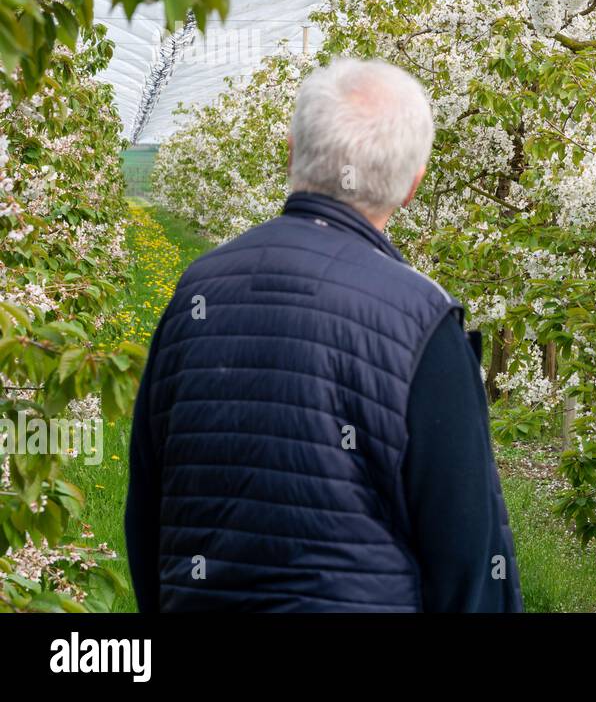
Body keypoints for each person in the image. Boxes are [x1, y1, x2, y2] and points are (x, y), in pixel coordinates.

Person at [125, 56, 522, 612]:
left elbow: (147, 504)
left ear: (291, 152)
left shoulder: (198, 290)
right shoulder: (421, 317)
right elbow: (468, 557)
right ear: (413, 184)